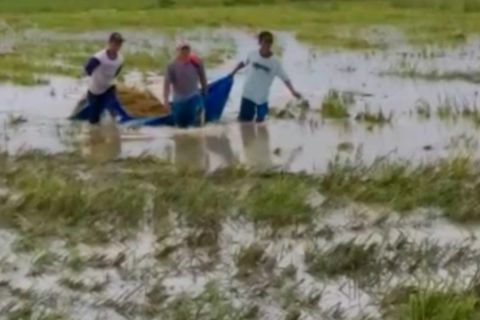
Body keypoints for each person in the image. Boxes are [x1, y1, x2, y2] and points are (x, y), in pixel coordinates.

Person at [232, 31, 301, 123]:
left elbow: (285, 78)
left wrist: (293, 91)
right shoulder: (252, 54)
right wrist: (232, 73)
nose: (268, 44)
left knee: (261, 125)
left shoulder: (275, 62)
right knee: (244, 123)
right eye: (265, 41)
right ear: (260, 42)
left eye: (270, 41)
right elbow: (243, 63)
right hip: (248, 94)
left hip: (262, 98)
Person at [163, 41, 208, 128]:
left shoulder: (196, 62)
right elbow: (167, 84)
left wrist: (205, 90)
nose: (185, 51)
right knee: (180, 126)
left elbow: (203, 77)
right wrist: (165, 100)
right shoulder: (171, 65)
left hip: (194, 97)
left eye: (187, 49)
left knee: (198, 119)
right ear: (178, 51)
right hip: (179, 101)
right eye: (183, 49)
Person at [84, 32, 124, 125]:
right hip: (95, 90)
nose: (117, 46)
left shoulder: (120, 59)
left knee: (113, 106)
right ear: (109, 43)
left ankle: (114, 127)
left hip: (108, 87)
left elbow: (116, 72)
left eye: (119, 44)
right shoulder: (99, 57)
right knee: (94, 120)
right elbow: (88, 69)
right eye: (115, 43)